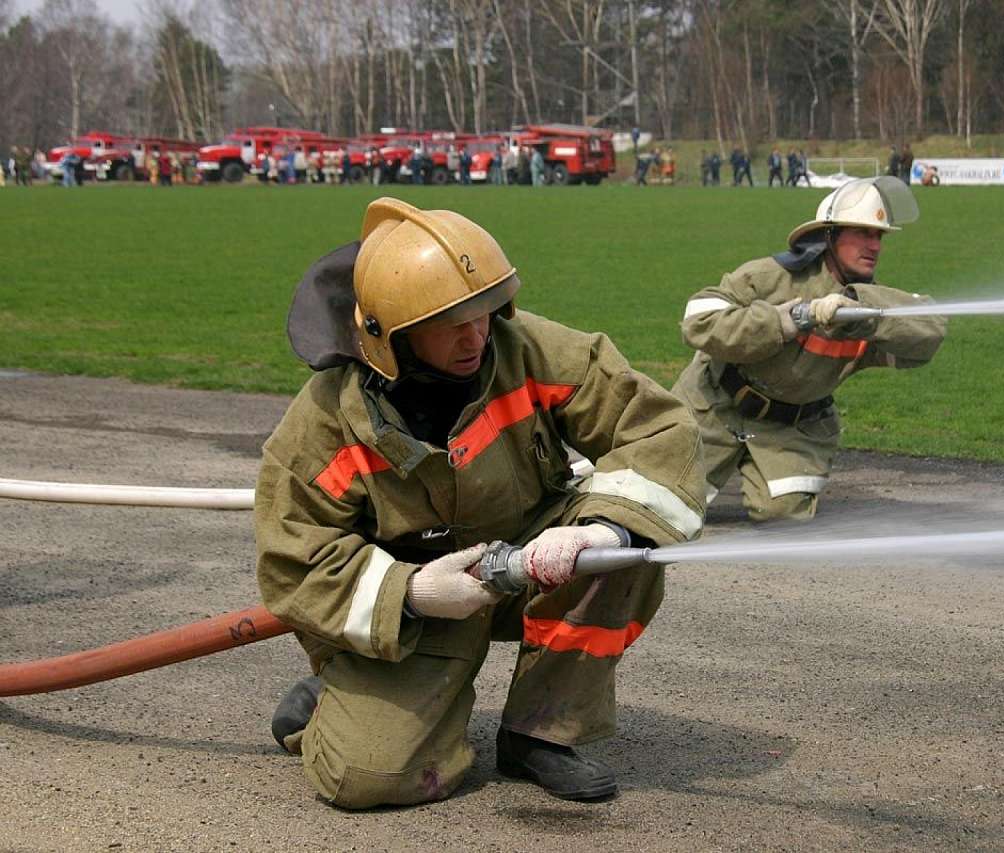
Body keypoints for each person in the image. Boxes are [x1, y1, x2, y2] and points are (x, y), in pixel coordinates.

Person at [257, 197, 704, 808]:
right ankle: (329, 702)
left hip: (531, 560)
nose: (475, 336)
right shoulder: (324, 424)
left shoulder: (532, 352)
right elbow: (296, 560)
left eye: (484, 312)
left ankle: (540, 732)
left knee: (624, 554)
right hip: (411, 612)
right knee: (368, 780)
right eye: (449, 323)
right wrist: (413, 594)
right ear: (391, 334)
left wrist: (599, 533)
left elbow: (657, 432)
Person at [671, 177, 946, 522]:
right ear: (829, 236)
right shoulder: (770, 276)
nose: (874, 245)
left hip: (792, 429)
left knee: (782, 517)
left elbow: (931, 330)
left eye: (878, 235)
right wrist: (783, 322)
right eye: (861, 233)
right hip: (713, 406)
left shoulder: (864, 312)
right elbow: (698, 320)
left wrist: (860, 309)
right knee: (661, 506)